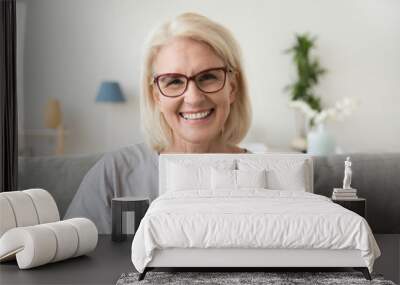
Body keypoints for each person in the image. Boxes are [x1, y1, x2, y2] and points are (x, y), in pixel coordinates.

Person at [64, 12, 252, 233]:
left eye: (208, 77)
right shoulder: (114, 173)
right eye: (173, 81)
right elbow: (73, 256)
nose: (193, 98)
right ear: (156, 96)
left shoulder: (266, 176)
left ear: (232, 87)